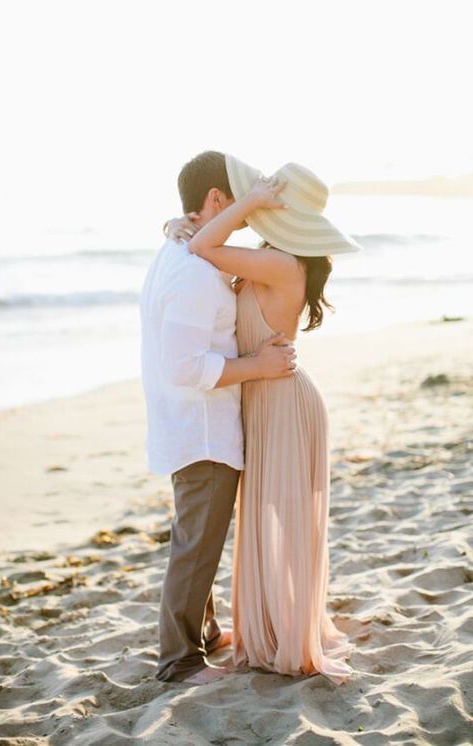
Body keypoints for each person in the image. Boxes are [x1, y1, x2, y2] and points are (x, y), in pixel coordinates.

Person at [165, 154, 360, 684]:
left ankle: (290, 633)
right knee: (268, 521)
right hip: (269, 396)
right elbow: (202, 249)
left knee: (284, 523)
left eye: (267, 202)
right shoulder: (269, 257)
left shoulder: (277, 263)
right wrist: (175, 224)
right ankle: (277, 624)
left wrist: (244, 205)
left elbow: (203, 248)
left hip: (282, 402)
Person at [139, 151, 296, 686]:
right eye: (242, 204)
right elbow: (183, 366)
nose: (249, 219)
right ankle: (178, 660)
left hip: (194, 425)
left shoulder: (181, 248)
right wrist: (257, 365)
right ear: (216, 201)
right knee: (196, 544)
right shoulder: (191, 271)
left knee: (199, 538)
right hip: (200, 428)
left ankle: (201, 637)